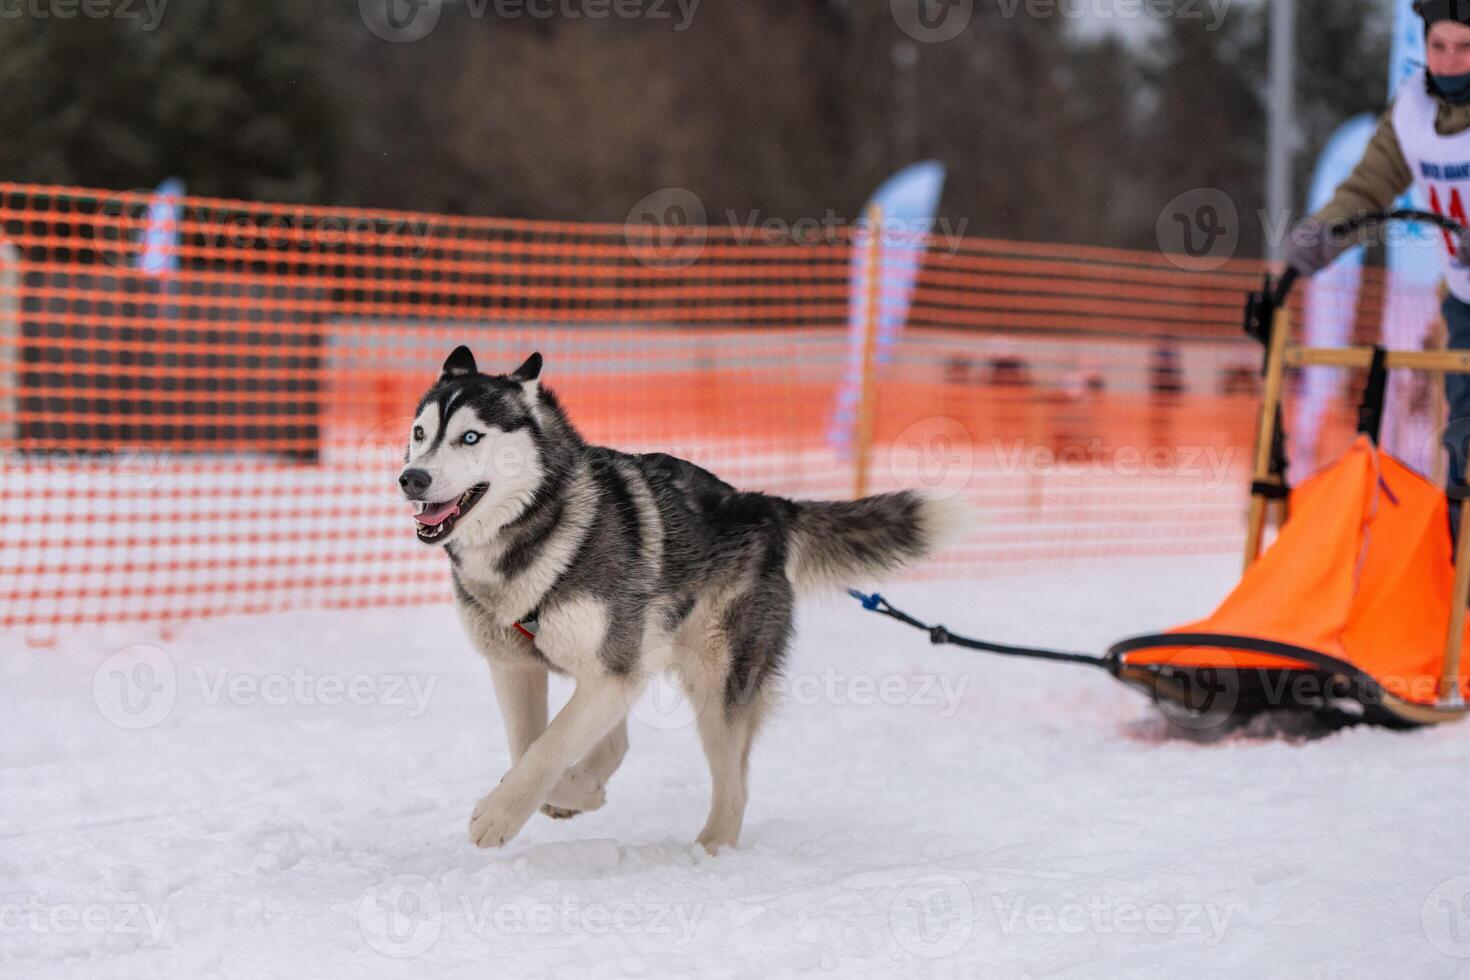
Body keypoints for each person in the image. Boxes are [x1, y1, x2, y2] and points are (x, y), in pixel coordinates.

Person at [1286, 0, 1470, 537]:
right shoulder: (1411, 111)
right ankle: (1457, 582)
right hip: (1463, 302)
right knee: (1461, 446)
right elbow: (1368, 188)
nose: (1449, 61)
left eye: (1463, 48)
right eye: (1438, 47)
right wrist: (1318, 241)